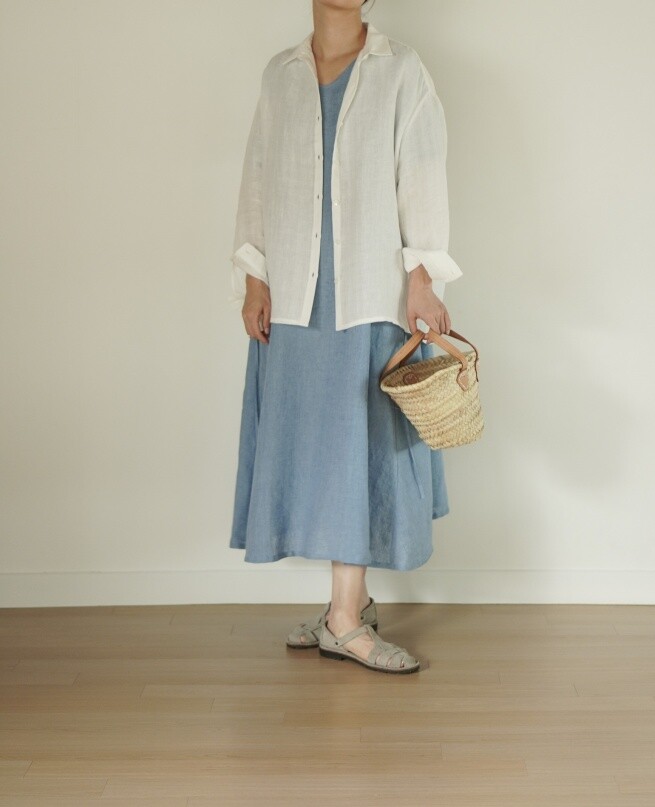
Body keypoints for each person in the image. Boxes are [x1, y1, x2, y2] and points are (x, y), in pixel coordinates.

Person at [227, 0, 463, 674]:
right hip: (295, 297)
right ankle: (347, 606)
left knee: (358, 450)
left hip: (368, 291)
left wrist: (422, 279)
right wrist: (254, 279)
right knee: (313, 449)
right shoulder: (280, 75)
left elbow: (421, 175)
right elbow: (258, 179)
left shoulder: (402, 70)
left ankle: (343, 618)